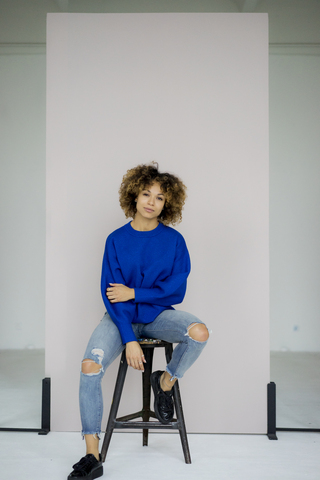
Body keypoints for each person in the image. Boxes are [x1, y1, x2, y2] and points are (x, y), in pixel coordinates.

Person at [68, 163, 209, 480]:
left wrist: (134, 291)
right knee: (90, 366)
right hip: (121, 320)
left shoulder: (174, 241)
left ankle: (165, 382)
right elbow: (111, 297)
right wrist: (129, 338)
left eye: (159, 198)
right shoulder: (115, 240)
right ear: (134, 195)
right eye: (146, 193)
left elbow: (176, 290)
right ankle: (92, 454)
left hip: (159, 317)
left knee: (198, 332)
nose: (151, 202)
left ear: (166, 204)